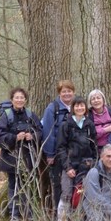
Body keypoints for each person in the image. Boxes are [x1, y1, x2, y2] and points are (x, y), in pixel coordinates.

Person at [0, 87, 42, 221]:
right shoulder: (6, 116)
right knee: (13, 184)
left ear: (25, 100)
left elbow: (40, 131)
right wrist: (15, 138)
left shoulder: (30, 115)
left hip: (28, 156)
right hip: (11, 156)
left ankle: (29, 212)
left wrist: (31, 136)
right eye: (17, 97)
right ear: (12, 100)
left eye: (22, 97)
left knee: (28, 184)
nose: (20, 100)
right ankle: (14, 214)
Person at [55, 96, 97, 221]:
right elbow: (61, 148)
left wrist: (92, 162)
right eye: (77, 106)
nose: (80, 108)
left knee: (84, 194)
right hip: (70, 165)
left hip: (86, 165)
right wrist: (68, 167)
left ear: (85, 108)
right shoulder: (65, 125)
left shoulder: (89, 125)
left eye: (82, 106)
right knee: (66, 194)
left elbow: (94, 146)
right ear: (73, 108)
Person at [41, 80, 75, 212]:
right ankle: (58, 215)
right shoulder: (52, 108)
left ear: (73, 92)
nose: (67, 94)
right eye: (64, 91)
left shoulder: (77, 106)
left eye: (69, 91)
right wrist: (49, 154)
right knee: (58, 185)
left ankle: (72, 214)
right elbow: (48, 133)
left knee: (72, 184)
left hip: (73, 153)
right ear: (59, 93)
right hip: (57, 153)